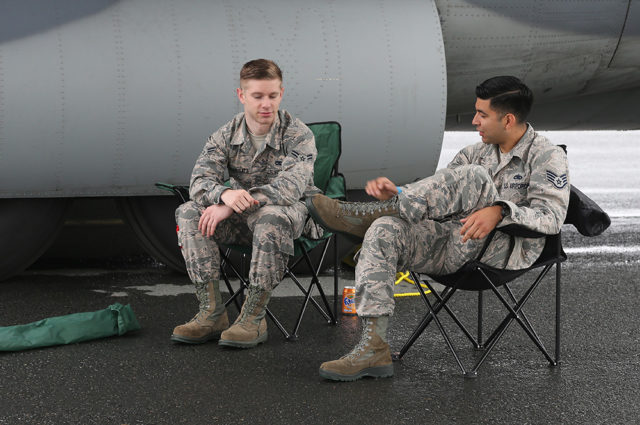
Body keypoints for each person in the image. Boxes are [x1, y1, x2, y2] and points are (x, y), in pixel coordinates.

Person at [306, 76, 570, 381]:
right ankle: (373, 349)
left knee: (473, 177)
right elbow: (440, 193)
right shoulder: (476, 152)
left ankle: (357, 215)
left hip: (500, 251)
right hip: (452, 240)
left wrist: (499, 212)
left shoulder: (547, 156)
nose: (474, 121)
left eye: (482, 115)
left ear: (508, 119)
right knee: (384, 229)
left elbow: (551, 218)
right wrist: (401, 193)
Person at [172, 59, 321, 348]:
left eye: (272, 95)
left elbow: (289, 189)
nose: (266, 104)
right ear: (241, 96)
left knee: (271, 218)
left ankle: (253, 317)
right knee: (188, 212)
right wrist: (223, 195)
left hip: (290, 219)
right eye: (257, 96)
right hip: (244, 220)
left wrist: (230, 205)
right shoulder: (225, 135)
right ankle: (211, 312)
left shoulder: (298, 134)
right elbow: (198, 182)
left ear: (281, 93)